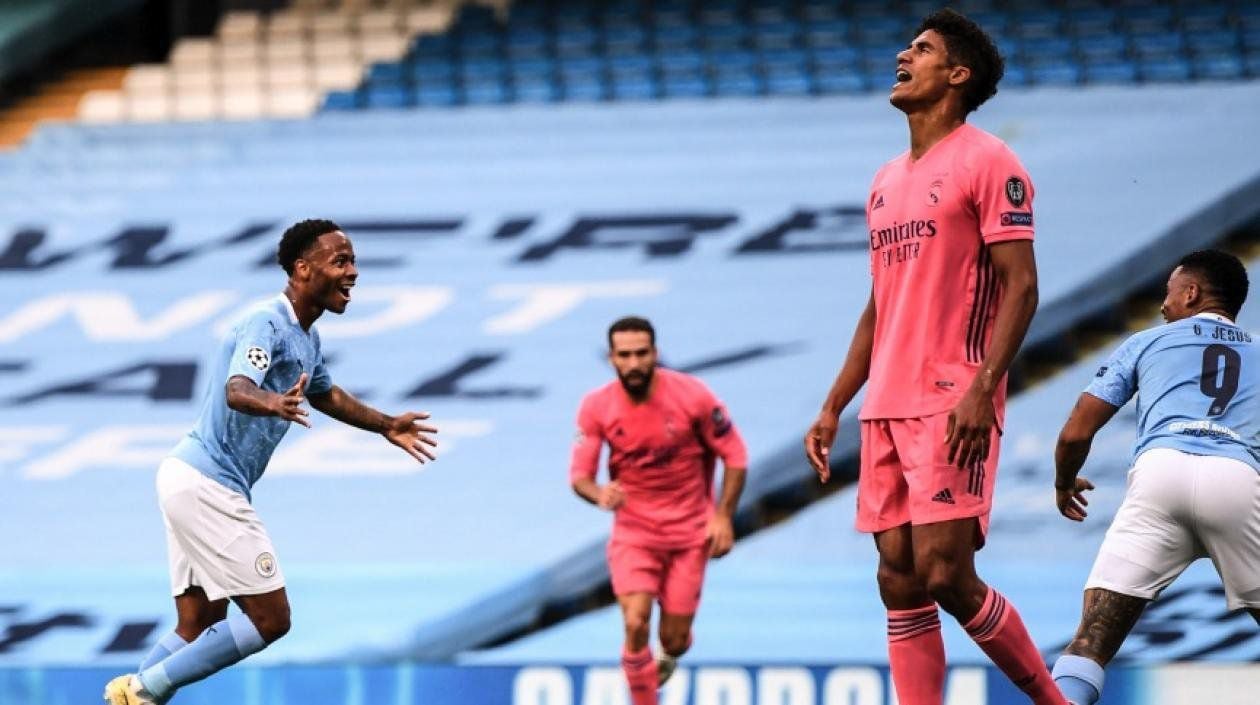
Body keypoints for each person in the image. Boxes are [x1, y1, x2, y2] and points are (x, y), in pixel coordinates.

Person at [803, 9, 1066, 705]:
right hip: (885, 402)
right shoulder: (886, 179)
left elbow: (1024, 285)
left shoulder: (989, 160)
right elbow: (879, 303)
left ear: (958, 75)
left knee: (947, 572)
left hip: (952, 396)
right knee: (897, 574)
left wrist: (983, 388)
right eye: (907, 45)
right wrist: (835, 402)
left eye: (922, 49)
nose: (903, 53)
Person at [104, 219, 439, 705]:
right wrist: (272, 403)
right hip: (207, 484)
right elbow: (237, 389)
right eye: (340, 261)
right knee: (271, 619)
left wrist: (386, 424)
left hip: (187, 477)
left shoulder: (306, 338)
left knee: (198, 624)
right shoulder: (268, 322)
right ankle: (143, 688)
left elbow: (328, 395)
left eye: (353, 261)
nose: (353, 272)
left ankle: (130, 696)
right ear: (302, 269)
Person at [1050, 250, 1260, 705]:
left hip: (1159, 475)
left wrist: (1064, 481)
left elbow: (1075, 434)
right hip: (1238, 482)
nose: (1163, 305)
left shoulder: (1146, 342)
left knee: (1089, 643)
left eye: (1168, 293)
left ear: (1191, 293)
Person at [571, 316, 748, 705]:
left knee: (674, 639)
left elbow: (735, 456)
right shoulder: (596, 406)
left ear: (654, 353)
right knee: (635, 622)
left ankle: (672, 649)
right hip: (635, 533)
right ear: (612, 358)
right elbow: (579, 477)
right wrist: (599, 493)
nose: (633, 364)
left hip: (689, 534)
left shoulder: (694, 397)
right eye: (624, 356)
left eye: (641, 354)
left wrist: (722, 517)